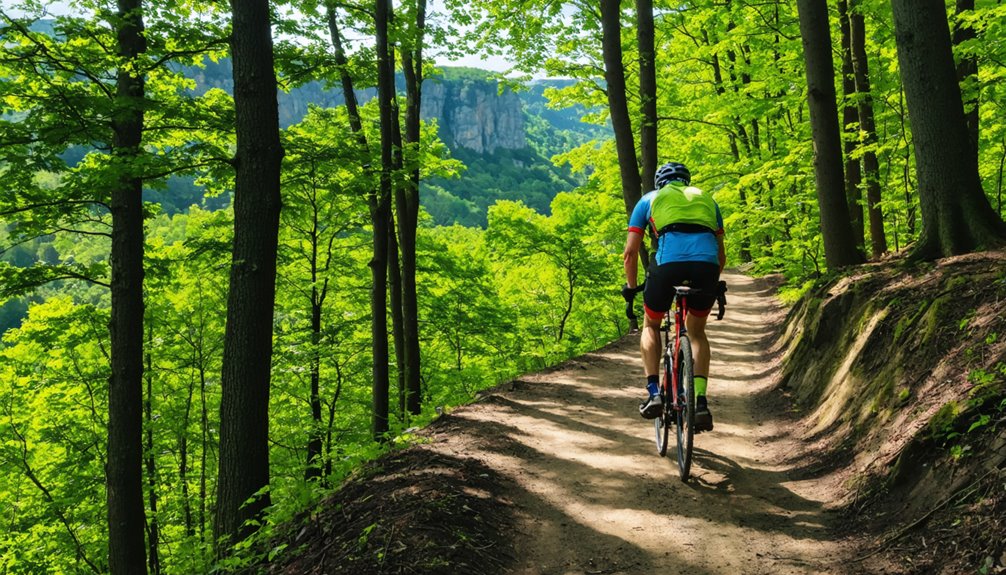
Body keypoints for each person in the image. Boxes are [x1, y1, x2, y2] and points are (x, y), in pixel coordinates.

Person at [622, 161, 725, 431]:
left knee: (651, 324)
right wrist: (710, 280)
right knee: (697, 333)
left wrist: (632, 288)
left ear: (660, 183)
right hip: (707, 266)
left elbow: (631, 252)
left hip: (668, 265)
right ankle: (700, 401)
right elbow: (721, 254)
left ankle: (654, 391)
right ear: (686, 181)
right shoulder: (707, 199)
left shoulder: (649, 199)